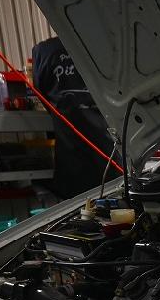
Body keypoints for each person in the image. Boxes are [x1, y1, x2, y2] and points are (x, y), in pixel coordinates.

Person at [31, 36, 115, 200]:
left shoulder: (45, 51)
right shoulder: (108, 45)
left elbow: (43, 97)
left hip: (72, 165)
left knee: (78, 212)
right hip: (111, 162)